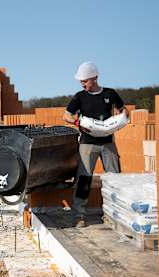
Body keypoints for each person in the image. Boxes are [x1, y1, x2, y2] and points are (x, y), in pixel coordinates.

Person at [63, 62, 129, 227]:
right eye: (81, 81)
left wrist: (121, 120)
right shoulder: (80, 96)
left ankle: (115, 215)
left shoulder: (110, 94)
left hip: (108, 143)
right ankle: (79, 215)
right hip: (87, 144)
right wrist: (78, 122)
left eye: (85, 80)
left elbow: (124, 111)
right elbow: (66, 115)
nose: (82, 84)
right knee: (84, 179)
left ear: (94, 78)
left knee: (114, 178)